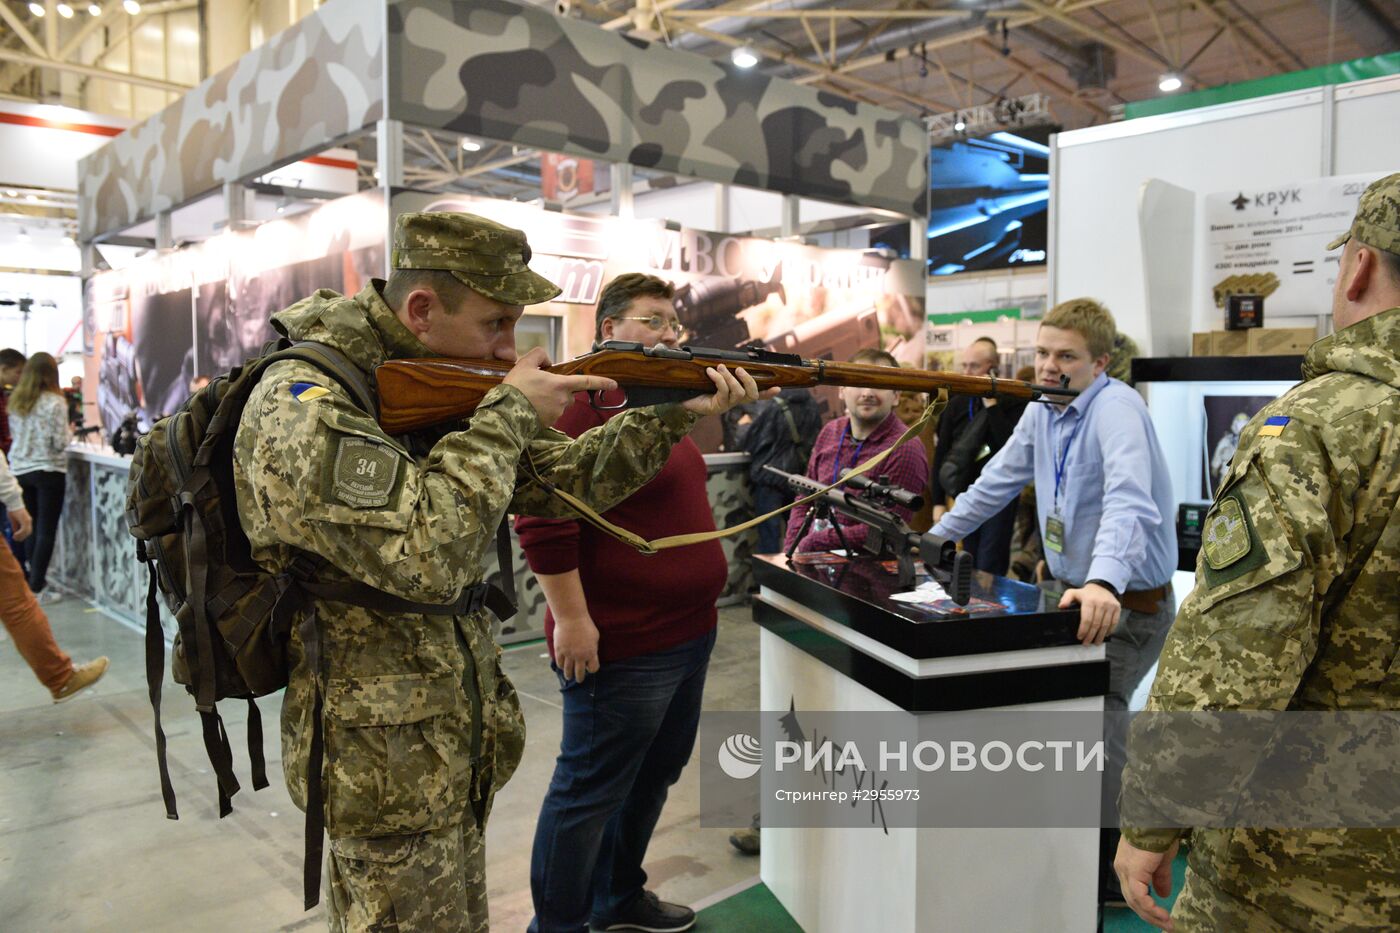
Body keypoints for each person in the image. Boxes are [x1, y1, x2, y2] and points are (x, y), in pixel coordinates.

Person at [232, 213, 763, 933]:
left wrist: (669, 415)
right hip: (379, 759)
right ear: (422, 310)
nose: (512, 347)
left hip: (444, 738)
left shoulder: (442, 386)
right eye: (496, 323)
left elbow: (569, 481)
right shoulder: (305, 402)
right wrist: (508, 411)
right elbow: (425, 552)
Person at [1115, 173, 1400, 931]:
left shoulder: (1321, 427)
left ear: (1359, 267)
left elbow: (1238, 653)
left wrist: (1155, 815)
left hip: (1308, 867)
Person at [515, 272, 772, 933]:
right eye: (651, 321)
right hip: (623, 641)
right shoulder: (582, 399)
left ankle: (616, 896)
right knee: (588, 794)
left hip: (686, 633)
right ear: (608, 329)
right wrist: (572, 619)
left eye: (673, 323)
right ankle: (560, 926)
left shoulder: (654, 398)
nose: (669, 334)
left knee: (654, 772)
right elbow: (543, 518)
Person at [929, 299, 1177, 904]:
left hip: (1127, 606)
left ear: (1101, 361)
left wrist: (1103, 582)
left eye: (1065, 356)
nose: (1049, 366)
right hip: (1074, 601)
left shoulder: (1117, 409)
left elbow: (1129, 502)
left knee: (1101, 729)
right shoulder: (1045, 410)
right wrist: (934, 538)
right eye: (1042, 353)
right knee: (1077, 729)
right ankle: (1082, 850)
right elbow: (998, 481)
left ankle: (1112, 869)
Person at [784, 348, 929, 554]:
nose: (867, 393)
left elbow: (889, 528)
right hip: (813, 561)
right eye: (859, 382)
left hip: (868, 572)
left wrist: (813, 543)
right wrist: (793, 548)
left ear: (896, 396)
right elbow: (804, 497)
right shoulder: (830, 432)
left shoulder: (905, 448)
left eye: (878, 385)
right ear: (842, 390)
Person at [0, 449, 108, 701]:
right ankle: (60, 677)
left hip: (26, 468)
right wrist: (14, 501)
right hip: (46, 471)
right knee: (17, 604)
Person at [930, 337, 1027, 575]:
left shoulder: (1013, 399)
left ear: (993, 366)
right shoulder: (957, 402)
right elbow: (942, 451)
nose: (967, 372)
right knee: (968, 557)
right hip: (963, 489)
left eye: (974, 366)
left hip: (1000, 493)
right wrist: (938, 501)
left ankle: (991, 605)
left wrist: (992, 406)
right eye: (964, 366)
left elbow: (1013, 446)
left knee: (990, 560)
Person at [8, 351, 71, 603]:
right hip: (49, 470)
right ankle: (37, 585)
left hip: (21, 470)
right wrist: (70, 433)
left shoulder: (16, 401)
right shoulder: (55, 403)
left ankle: (30, 582)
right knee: (46, 529)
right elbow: (58, 443)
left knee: (31, 527)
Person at [741, 385, 823, 553]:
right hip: (798, 478)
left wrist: (744, 426)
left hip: (770, 476)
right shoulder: (812, 405)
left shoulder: (775, 405)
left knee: (769, 535)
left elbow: (752, 441)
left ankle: (770, 577)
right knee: (797, 532)